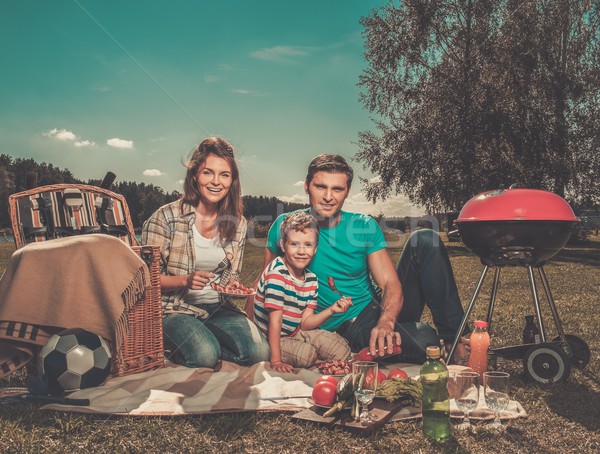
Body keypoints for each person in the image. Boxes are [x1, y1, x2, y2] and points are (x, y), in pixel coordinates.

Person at [245, 154, 469, 364]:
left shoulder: (364, 225)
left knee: (425, 239)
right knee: (424, 339)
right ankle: (421, 337)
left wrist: (386, 322)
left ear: (347, 191)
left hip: (377, 310)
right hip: (346, 326)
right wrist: (251, 334)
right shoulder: (287, 226)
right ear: (307, 186)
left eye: (337, 189)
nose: (328, 196)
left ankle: (455, 338)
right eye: (320, 186)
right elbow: (265, 283)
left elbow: (390, 283)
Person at [142, 137, 270, 369]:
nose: (216, 182)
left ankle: (207, 338)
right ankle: (190, 342)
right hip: (174, 309)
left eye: (224, 175)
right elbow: (145, 281)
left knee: (260, 352)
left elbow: (230, 276)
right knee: (204, 356)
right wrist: (185, 280)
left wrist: (232, 285)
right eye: (207, 173)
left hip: (218, 308)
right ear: (194, 176)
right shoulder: (165, 218)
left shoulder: (238, 223)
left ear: (232, 181)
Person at [253, 212, 352, 372]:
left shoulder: (312, 279)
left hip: (296, 332)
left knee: (341, 350)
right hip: (272, 336)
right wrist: (276, 360)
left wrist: (332, 310)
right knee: (307, 356)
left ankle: (305, 347)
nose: (301, 251)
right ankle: (291, 351)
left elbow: (306, 324)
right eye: (294, 244)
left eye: (308, 245)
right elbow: (275, 322)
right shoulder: (277, 274)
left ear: (315, 248)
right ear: (283, 245)